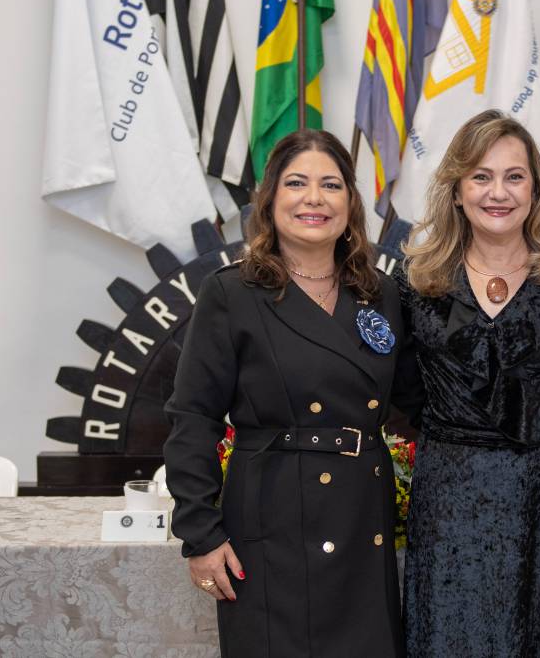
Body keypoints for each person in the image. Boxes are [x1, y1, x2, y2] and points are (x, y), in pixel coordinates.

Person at [164, 129, 420, 657]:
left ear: (350, 203)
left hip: (360, 521)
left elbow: (422, 400)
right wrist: (201, 533)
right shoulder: (232, 293)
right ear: (270, 199)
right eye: (297, 183)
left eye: (331, 185)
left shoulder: (381, 293)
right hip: (270, 523)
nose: (314, 199)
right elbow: (193, 417)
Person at [398, 109, 540, 657]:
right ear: (457, 190)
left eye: (514, 176)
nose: (498, 192)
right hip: (448, 497)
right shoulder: (418, 278)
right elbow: (401, 390)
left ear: (535, 189)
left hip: (537, 494)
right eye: (481, 176)